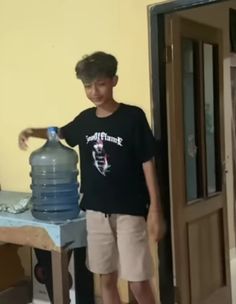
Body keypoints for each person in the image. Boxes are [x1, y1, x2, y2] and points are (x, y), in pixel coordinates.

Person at [18, 51, 166, 304]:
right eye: (88, 86)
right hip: (96, 213)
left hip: (129, 211)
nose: (94, 92)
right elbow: (61, 132)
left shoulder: (132, 117)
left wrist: (155, 209)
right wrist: (33, 131)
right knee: (106, 280)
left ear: (114, 81)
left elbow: (147, 162)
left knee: (138, 282)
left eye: (101, 83)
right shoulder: (85, 120)